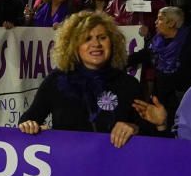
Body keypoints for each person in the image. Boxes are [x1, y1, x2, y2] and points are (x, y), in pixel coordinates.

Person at [17, 11, 143, 147]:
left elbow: (147, 132)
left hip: (115, 165)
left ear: (112, 43)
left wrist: (136, 128)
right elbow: (29, 119)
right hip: (67, 163)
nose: (96, 44)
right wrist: (30, 126)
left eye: (102, 37)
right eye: (87, 39)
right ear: (73, 46)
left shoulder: (129, 84)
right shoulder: (57, 80)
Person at [128, 7, 191, 129]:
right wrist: (119, 62)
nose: (155, 22)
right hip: (161, 99)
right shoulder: (157, 41)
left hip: (183, 99)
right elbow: (143, 55)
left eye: (160, 19)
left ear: (172, 23)